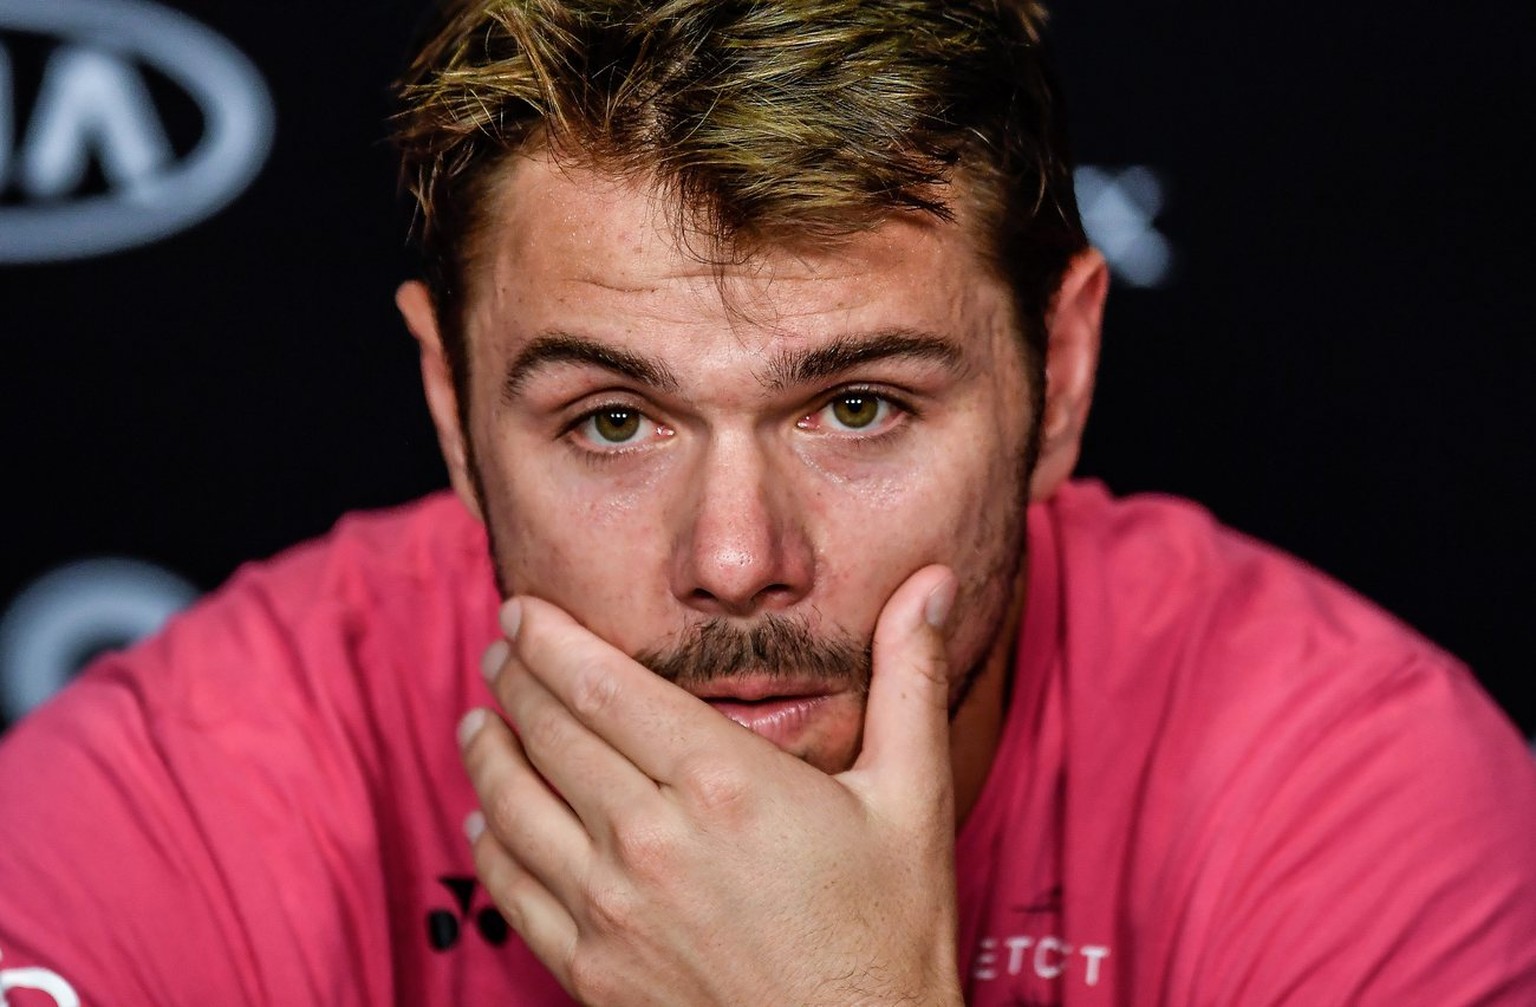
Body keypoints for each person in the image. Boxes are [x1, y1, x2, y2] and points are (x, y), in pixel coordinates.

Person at [2, 0, 1534, 1003]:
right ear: (450, 411)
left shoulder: (1360, 798)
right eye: (612, 421)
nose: (738, 560)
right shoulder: (170, 804)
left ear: (1059, 380)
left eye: (858, 407)